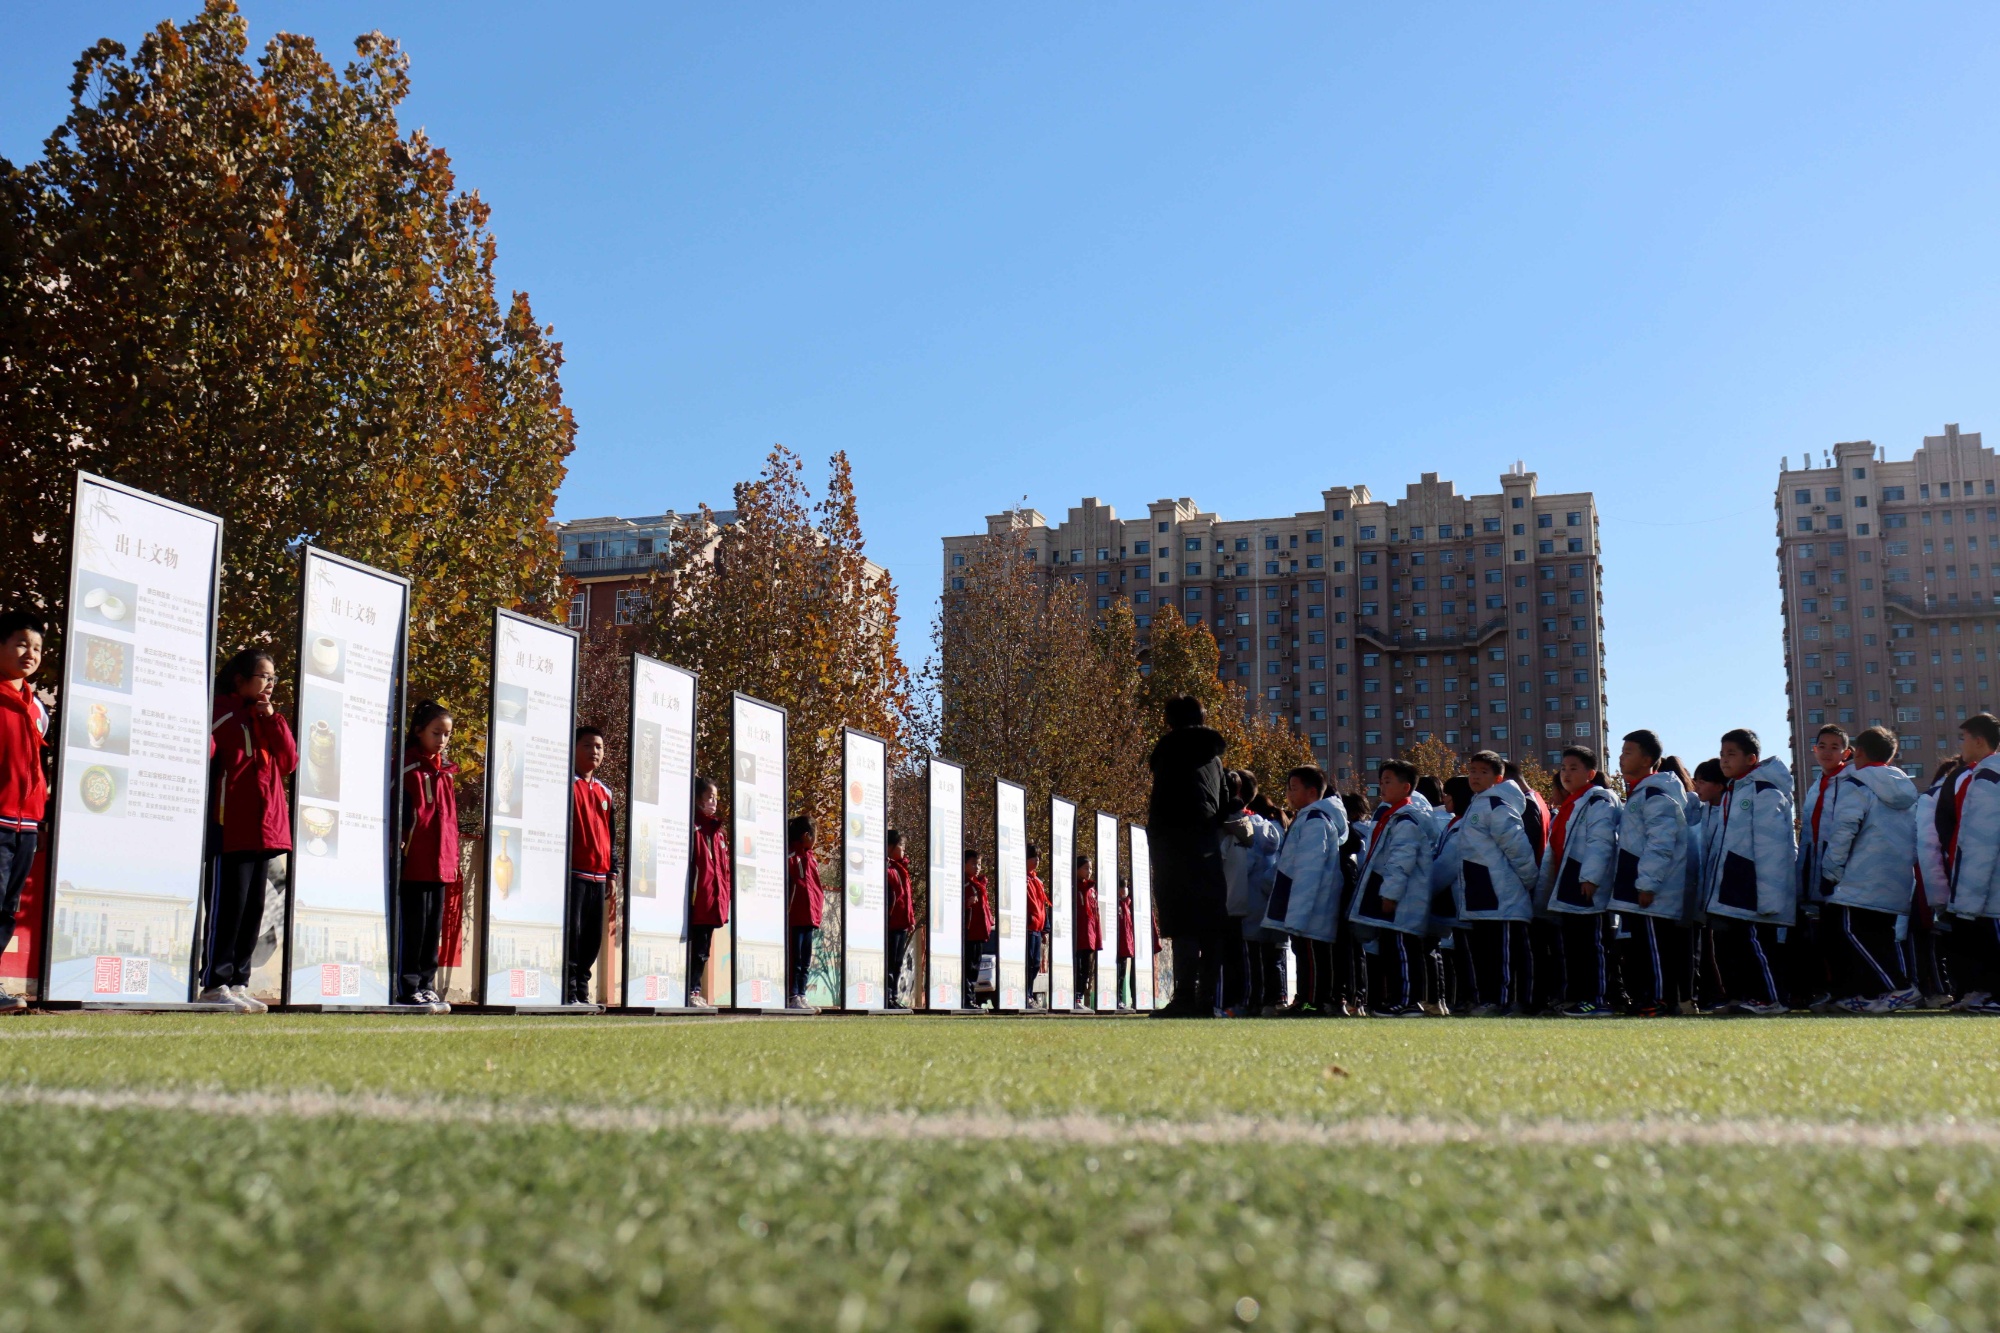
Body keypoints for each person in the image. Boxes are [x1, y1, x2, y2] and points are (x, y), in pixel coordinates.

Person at [203, 648, 297, 1013]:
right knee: (229, 908)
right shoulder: (221, 712)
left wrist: (271, 719)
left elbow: (288, 760)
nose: (270, 684)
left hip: (267, 829)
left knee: (252, 911)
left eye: (273, 677)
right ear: (240, 680)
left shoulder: (268, 718)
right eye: (263, 676)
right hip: (232, 828)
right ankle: (214, 983)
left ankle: (238, 981)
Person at [1816, 726, 1921, 1013]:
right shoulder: (1905, 788)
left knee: (1849, 931)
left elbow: (1843, 832)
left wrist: (1831, 871)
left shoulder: (1856, 784)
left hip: (1859, 879)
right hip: (1895, 879)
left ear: (1858, 752)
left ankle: (1900, 988)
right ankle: (1873, 994)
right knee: (1881, 937)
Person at [1145, 696, 1230, 1017]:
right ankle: (1206, 1000)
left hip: (1174, 849)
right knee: (1209, 924)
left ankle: (1183, 998)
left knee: (1182, 925)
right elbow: (1222, 808)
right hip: (1207, 848)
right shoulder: (1215, 759)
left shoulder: (1167, 751)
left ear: (1170, 720)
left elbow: (1162, 806)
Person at [1705, 728, 1796, 1016]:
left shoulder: (1764, 791)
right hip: (1731, 884)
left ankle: (1772, 998)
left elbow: (1773, 847)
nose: (1724, 760)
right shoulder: (1735, 790)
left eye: (1731, 754)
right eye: (1722, 754)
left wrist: (1770, 897)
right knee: (1732, 946)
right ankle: (1742, 996)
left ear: (1752, 758)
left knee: (1756, 945)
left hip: (1754, 886)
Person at [1536, 746, 1623, 1018]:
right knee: (1574, 948)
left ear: (1591, 773)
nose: (1566, 773)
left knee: (1590, 945)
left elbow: (1601, 841)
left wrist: (1591, 877)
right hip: (1568, 884)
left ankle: (1596, 999)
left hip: (1585, 885)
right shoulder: (1572, 804)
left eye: (1574, 768)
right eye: (1563, 768)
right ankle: (1579, 998)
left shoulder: (1598, 800)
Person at [1452, 751, 1538, 1016]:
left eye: (1483, 772)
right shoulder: (1478, 804)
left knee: (1502, 953)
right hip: (1482, 893)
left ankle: (1504, 1001)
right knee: (1486, 953)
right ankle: (1489, 999)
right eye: (1472, 770)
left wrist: (1529, 880)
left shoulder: (1497, 805)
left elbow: (1517, 847)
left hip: (1502, 893)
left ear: (1498, 778)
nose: (1475, 776)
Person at [1612, 730, 1691, 1017]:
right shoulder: (1641, 791)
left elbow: (1661, 841)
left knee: (1656, 947)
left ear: (1648, 759)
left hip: (1654, 890)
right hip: (1639, 886)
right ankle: (1649, 997)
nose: (1621, 757)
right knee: (1643, 947)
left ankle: (1661, 999)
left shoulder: (1656, 793)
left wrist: (1648, 883)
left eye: (1629, 752)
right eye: (1621, 752)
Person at [1347, 759, 1434, 1017]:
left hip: (1403, 900)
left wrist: (1390, 894)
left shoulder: (1406, 820)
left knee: (1402, 951)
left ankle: (1408, 1002)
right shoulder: (1392, 817)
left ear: (1406, 787)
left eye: (1388, 781)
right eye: (1381, 781)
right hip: (1395, 899)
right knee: (1393, 951)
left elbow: (1401, 861)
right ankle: (1398, 999)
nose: (1381, 786)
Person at [1261, 765, 1348, 1016]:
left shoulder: (1315, 821)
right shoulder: (1309, 818)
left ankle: (1311, 1003)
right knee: (1307, 953)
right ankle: (1307, 1000)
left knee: (1311, 956)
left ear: (1312, 792)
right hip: (1306, 903)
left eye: (1293, 788)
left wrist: (1299, 911)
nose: (1288, 793)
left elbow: (1310, 869)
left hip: (1311, 905)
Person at [396, 700, 458, 1013]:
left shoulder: (446, 773)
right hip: (414, 864)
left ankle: (426, 984)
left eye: (447, 735)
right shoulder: (406, 767)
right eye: (437, 733)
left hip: (441, 865)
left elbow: (448, 823)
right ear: (419, 731)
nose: (442, 740)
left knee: (433, 930)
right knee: (414, 928)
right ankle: (408, 986)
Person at [0, 613, 48, 1014]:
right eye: (20, 644)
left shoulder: (37, 708)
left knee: (6, 908)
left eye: (36, 648)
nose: (29, 653)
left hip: (26, 825)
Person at [1793, 723, 1852, 1010]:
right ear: (1813, 750)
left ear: (1846, 752)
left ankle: (1845, 990)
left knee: (1841, 935)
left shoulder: (1850, 781)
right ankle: (1829, 991)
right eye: (1823, 746)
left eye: (1835, 747)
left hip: (1840, 873)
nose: (1828, 752)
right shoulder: (1818, 784)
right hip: (1815, 870)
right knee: (1823, 937)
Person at [1945, 713, 2000, 1014]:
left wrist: (1969, 889)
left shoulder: (1989, 776)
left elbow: (1982, 838)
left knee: (1992, 939)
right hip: (1989, 880)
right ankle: (1987, 992)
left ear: (1979, 741)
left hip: (1991, 880)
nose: (1961, 745)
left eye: (1964, 738)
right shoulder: (1986, 773)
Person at [1222, 770, 1282, 1016]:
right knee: (1259, 957)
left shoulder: (1240, 827)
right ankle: (1258, 1000)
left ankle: (1245, 1003)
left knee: (1246, 958)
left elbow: (1242, 863)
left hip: (1242, 899)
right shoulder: (1266, 826)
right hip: (1261, 900)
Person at [566, 726, 616, 1008]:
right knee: (572, 936)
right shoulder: (565, 785)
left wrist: (613, 872)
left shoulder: (605, 792)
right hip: (574, 875)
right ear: (574, 749)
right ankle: (569, 991)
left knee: (591, 939)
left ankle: (582, 992)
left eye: (598, 746)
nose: (594, 751)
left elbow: (612, 835)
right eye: (587, 745)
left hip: (599, 878)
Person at [1911, 759, 1961, 1007]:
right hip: (1938, 875)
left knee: (1936, 938)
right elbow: (1930, 847)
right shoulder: (1936, 797)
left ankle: (1945, 990)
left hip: (1935, 876)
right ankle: (1943, 990)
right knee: (1937, 936)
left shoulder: (1932, 796)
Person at [1687, 757, 1730, 1012]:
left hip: (1724, 892)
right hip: (1707, 892)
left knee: (1723, 947)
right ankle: (1716, 995)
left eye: (1702, 781)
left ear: (1719, 785)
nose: (1697, 786)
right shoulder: (1703, 812)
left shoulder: (1730, 809)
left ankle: (1726, 993)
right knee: (1712, 948)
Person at [687, 776, 729, 1008]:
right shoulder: (692, 830)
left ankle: (695, 990)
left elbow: (725, 872)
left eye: (716, 798)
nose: (713, 802)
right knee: (695, 949)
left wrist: (724, 899)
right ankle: (690, 991)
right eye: (709, 797)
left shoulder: (719, 835)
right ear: (697, 800)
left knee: (704, 952)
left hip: (713, 903)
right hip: (697, 902)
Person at [785, 814, 823, 1012]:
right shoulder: (790, 857)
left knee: (806, 960)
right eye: (815, 835)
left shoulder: (812, 859)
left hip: (810, 917)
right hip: (796, 917)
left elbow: (815, 889)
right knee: (796, 960)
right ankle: (792, 995)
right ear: (807, 835)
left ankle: (801, 994)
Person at [884, 828, 914, 1009]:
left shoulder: (901, 869)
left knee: (897, 964)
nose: (903, 850)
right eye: (901, 846)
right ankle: (886, 997)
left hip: (901, 923)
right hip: (891, 923)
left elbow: (906, 899)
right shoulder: (887, 869)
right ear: (889, 847)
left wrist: (910, 919)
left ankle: (894, 997)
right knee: (889, 963)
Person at [963, 847, 995, 1009]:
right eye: (974, 864)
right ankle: (966, 999)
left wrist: (989, 922)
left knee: (974, 968)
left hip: (980, 933)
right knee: (968, 967)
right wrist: (966, 904)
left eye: (979, 864)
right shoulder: (964, 883)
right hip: (969, 933)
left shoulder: (978, 884)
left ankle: (971, 998)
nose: (977, 867)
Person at [1073, 852, 1102, 1011]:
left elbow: (1095, 915)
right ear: (1077, 869)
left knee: (1086, 970)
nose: (1089, 871)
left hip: (1089, 936)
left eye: (1090, 869)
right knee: (1076, 968)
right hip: (1077, 936)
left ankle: (1079, 998)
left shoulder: (1092, 889)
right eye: (1085, 868)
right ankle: (1073, 998)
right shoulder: (1072, 887)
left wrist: (1097, 937)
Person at [1024, 842, 1049, 1010]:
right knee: (1028, 962)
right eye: (1034, 857)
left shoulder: (1037, 881)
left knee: (1035, 963)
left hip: (1037, 929)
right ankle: (1025, 995)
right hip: (1027, 927)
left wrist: (1045, 928)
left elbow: (1042, 905)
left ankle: (1029, 994)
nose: (1037, 861)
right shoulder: (1023, 880)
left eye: (1039, 857)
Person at [1116, 877, 1136, 1011]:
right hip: (1118, 946)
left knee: (1122, 975)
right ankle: (1116, 999)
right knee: (1117, 974)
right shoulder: (1116, 905)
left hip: (1126, 946)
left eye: (1126, 887)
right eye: (1122, 887)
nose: (1125, 889)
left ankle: (1120, 999)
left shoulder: (1128, 906)